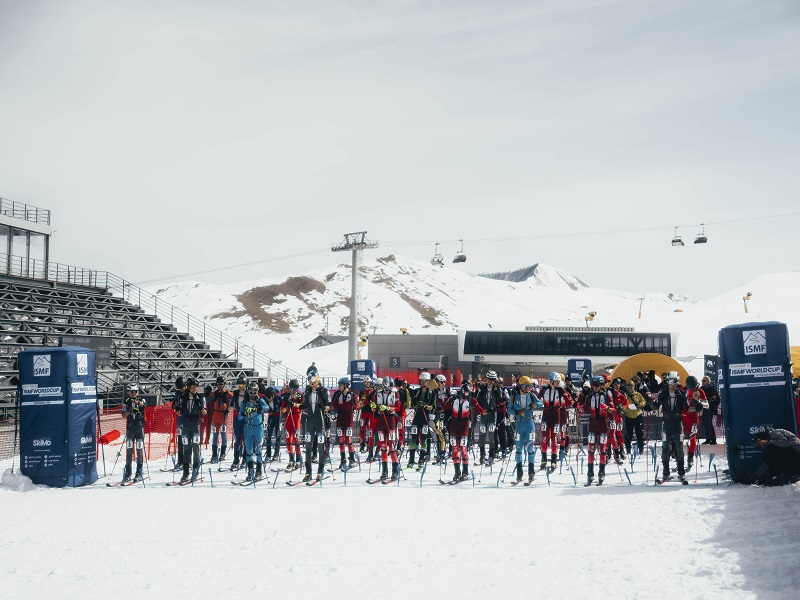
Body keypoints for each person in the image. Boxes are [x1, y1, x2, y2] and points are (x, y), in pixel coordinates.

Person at [655, 373, 689, 482]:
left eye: (674, 384)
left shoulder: (681, 393)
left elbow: (687, 408)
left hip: (677, 423)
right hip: (666, 423)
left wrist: (697, 406)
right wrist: (648, 406)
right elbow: (656, 405)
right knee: (665, 446)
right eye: (670, 384)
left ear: (677, 383)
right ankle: (666, 472)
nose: (672, 387)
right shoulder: (663, 392)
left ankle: (681, 472)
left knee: (679, 447)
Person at [580, 375, 611, 485]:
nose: (595, 387)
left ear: (602, 385)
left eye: (597, 385)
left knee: (602, 450)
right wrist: (579, 408)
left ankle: (601, 472)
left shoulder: (606, 396)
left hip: (603, 424)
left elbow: (613, 410)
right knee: (591, 450)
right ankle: (590, 473)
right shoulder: (590, 397)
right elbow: (584, 409)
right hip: (593, 424)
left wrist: (607, 408)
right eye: (593, 385)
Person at [301, 375, 330, 483]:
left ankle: (320, 472)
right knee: (308, 447)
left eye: (313, 382)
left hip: (319, 421)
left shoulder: (323, 391)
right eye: (310, 382)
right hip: (309, 421)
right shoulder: (308, 392)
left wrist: (326, 407)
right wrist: (297, 405)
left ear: (317, 382)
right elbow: (304, 405)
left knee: (320, 447)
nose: (312, 384)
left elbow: (329, 405)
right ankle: (308, 473)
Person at [441, 384, 473, 482]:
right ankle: (457, 472)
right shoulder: (453, 398)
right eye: (464, 396)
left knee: (463, 447)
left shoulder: (470, 400)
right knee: (454, 447)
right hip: (454, 425)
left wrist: (486, 411)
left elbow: (479, 408)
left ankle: (465, 472)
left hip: (464, 426)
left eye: (467, 396)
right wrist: (439, 408)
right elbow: (444, 407)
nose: (465, 398)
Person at [509, 376, 538, 483]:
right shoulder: (514, 396)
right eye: (526, 386)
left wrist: (534, 405)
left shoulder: (531, 395)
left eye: (529, 386)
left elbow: (540, 403)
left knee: (530, 449)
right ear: (521, 385)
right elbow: (509, 410)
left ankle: (531, 473)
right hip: (519, 425)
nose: (528, 388)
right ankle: (519, 474)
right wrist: (517, 412)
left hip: (529, 424)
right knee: (518, 450)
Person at [537, 372, 568, 472]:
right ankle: (543, 460)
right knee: (544, 439)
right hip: (546, 415)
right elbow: (536, 399)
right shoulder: (544, 389)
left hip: (556, 416)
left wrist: (568, 397)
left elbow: (569, 401)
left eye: (559, 381)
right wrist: (535, 404)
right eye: (557, 381)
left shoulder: (560, 390)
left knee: (554, 439)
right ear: (551, 381)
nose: (558, 383)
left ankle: (553, 461)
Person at [374, 376, 402, 481]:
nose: (389, 388)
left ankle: (395, 471)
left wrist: (388, 408)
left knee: (392, 447)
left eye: (390, 386)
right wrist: (374, 406)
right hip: (381, 421)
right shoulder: (378, 394)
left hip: (391, 421)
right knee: (383, 447)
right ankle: (384, 471)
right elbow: (374, 405)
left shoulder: (395, 394)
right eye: (387, 386)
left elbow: (398, 407)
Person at [179, 377, 206, 483]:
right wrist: (178, 410)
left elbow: (204, 410)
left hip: (195, 424)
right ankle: (185, 473)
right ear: (189, 387)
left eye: (196, 387)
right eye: (193, 387)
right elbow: (178, 408)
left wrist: (203, 410)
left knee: (195, 448)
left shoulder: (200, 397)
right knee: (186, 449)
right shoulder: (183, 397)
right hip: (186, 424)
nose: (195, 389)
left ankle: (196, 470)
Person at [239, 381, 267, 481]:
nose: (252, 394)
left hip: (258, 427)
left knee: (258, 450)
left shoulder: (260, 400)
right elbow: (239, 416)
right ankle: (250, 472)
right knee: (249, 450)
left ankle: (259, 471)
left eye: (254, 392)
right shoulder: (245, 402)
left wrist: (259, 409)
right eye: (251, 392)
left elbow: (266, 407)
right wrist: (244, 413)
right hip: (248, 427)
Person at [475, 371, 505, 466]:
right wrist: (481, 410)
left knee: (491, 433)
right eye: (490, 379)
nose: (492, 381)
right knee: (482, 433)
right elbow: (477, 400)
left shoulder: (497, 389)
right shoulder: (482, 388)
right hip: (483, 413)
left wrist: (503, 400)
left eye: (493, 379)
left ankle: (491, 455)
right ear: (487, 379)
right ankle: (482, 455)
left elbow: (500, 400)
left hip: (492, 414)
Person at [407, 372, 435, 468]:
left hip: (425, 418)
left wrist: (425, 406)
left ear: (428, 381)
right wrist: (415, 404)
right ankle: (411, 459)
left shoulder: (431, 393)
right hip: (416, 417)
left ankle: (421, 459)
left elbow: (433, 406)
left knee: (424, 438)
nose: (423, 382)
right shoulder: (416, 391)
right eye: (421, 381)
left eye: (425, 381)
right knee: (413, 438)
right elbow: (411, 403)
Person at [331, 377, 357, 469]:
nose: (339, 387)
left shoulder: (352, 395)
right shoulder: (338, 395)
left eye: (341, 385)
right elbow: (333, 406)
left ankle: (352, 459)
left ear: (346, 385)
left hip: (349, 418)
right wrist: (329, 409)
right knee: (341, 440)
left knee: (348, 440)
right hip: (340, 419)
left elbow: (358, 404)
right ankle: (343, 460)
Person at [122, 383, 146, 482]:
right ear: (128, 392)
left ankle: (139, 472)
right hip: (130, 428)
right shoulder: (126, 401)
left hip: (139, 428)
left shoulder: (140, 399)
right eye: (131, 392)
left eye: (135, 392)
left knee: (139, 450)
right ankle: (128, 472)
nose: (133, 394)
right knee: (129, 451)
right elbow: (123, 415)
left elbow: (144, 405)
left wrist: (137, 403)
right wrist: (129, 410)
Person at [683, 375, 707, 470]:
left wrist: (700, 403)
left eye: (693, 387)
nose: (691, 389)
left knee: (692, 439)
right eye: (690, 388)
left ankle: (690, 458)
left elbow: (707, 405)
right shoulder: (682, 390)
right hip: (683, 417)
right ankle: (679, 458)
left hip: (694, 419)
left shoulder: (700, 391)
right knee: (680, 438)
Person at [281, 379, 304, 471]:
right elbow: (282, 410)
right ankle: (291, 460)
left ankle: (298, 458)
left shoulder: (300, 396)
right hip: (288, 419)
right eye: (293, 389)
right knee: (288, 439)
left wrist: (294, 404)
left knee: (296, 439)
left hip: (296, 418)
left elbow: (303, 406)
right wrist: (287, 407)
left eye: (296, 389)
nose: (294, 391)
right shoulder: (286, 396)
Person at [209, 376, 232, 464]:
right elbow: (207, 398)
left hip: (223, 416)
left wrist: (229, 408)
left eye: (221, 384)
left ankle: (222, 453)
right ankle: (214, 454)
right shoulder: (214, 393)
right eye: (218, 384)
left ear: (224, 384)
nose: (219, 386)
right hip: (215, 416)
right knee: (215, 436)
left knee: (223, 435)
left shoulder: (228, 394)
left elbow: (234, 399)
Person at [622, 380, 647, 455]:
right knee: (628, 434)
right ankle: (628, 449)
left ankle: (641, 449)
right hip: (629, 416)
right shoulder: (624, 395)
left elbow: (644, 401)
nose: (630, 387)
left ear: (634, 386)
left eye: (631, 385)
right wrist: (630, 407)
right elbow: (623, 406)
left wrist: (641, 404)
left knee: (639, 433)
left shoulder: (638, 394)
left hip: (638, 415)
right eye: (628, 385)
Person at [228, 375, 248, 471]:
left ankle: (244, 459)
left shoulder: (248, 393)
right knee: (237, 440)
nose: (240, 386)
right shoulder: (235, 393)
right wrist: (228, 408)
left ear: (245, 385)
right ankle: (236, 460)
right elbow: (231, 404)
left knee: (245, 439)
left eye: (242, 384)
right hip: (237, 418)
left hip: (245, 418)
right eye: (239, 384)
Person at [357, 376, 378, 462]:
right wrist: (361, 401)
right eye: (365, 383)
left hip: (370, 413)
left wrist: (370, 402)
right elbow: (359, 404)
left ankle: (370, 447)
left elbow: (374, 402)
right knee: (362, 429)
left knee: (370, 431)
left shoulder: (373, 391)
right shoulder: (361, 392)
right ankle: (362, 444)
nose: (367, 384)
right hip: (363, 412)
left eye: (368, 382)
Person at [171, 376, 187, 470]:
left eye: (182, 387)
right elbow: (174, 404)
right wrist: (176, 407)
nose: (181, 390)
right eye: (179, 388)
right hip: (180, 419)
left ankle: (187, 461)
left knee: (187, 441)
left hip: (188, 419)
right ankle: (180, 461)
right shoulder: (178, 393)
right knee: (180, 440)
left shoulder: (189, 393)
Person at [263, 386, 281, 462]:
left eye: (269, 397)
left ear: (273, 395)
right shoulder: (265, 399)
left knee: (277, 435)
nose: (268, 399)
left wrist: (277, 409)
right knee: (268, 435)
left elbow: (282, 406)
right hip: (271, 417)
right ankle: (268, 454)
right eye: (267, 397)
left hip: (278, 418)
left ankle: (276, 453)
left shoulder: (278, 399)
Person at [700, 376, 720, 444]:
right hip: (703, 409)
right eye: (702, 380)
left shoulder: (712, 389)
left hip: (710, 409)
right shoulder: (702, 389)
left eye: (704, 381)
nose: (702, 382)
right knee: (705, 424)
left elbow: (717, 400)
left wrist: (711, 408)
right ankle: (708, 439)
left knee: (709, 424)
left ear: (708, 381)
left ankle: (713, 440)